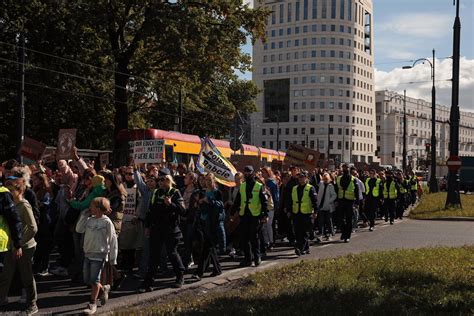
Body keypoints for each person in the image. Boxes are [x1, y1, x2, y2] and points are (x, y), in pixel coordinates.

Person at [139, 169, 186, 292]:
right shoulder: (156, 192)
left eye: (164, 179)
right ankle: (148, 282)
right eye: (159, 179)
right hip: (157, 229)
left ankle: (180, 276)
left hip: (171, 229)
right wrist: (148, 226)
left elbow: (182, 211)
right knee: (154, 255)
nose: (161, 182)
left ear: (169, 180)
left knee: (172, 253)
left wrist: (171, 204)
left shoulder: (175, 192)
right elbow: (150, 212)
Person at [0, 174, 39, 315]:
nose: (9, 193)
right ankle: (1, 299)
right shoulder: (10, 204)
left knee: (27, 276)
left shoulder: (24, 205)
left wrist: (20, 244)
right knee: (6, 275)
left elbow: (33, 227)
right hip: (13, 246)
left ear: (20, 191)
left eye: (11, 191)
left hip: (25, 247)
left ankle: (33, 304)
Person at [76, 197, 118, 315]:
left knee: (94, 280)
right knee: (87, 279)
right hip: (88, 253)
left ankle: (92, 303)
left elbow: (113, 240)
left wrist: (112, 258)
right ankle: (104, 288)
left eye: (92, 206)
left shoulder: (107, 222)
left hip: (99, 255)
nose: (89, 208)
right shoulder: (89, 220)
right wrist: (84, 216)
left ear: (99, 209)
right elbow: (79, 229)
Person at [233, 166, 268, 267]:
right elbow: (237, 200)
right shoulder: (242, 186)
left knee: (254, 237)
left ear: (253, 173)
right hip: (244, 215)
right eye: (246, 173)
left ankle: (257, 258)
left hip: (255, 215)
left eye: (249, 172)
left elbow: (264, 201)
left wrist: (265, 215)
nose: (247, 174)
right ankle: (248, 259)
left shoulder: (258, 186)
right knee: (244, 238)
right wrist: (232, 213)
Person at [191, 173, 223, 281]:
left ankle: (199, 273)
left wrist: (209, 201)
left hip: (213, 223)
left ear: (214, 180)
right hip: (204, 222)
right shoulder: (203, 192)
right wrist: (199, 203)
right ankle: (217, 269)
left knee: (207, 247)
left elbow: (220, 206)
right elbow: (199, 205)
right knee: (210, 247)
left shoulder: (217, 192)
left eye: (210, 180)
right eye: (206, 180)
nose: (208, 182)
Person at [288, 171, 317, 255]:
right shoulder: (294, 188)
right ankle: (306, 248)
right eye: (299, 177)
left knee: (305, 232)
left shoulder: (310, 188)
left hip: (306, 213)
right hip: (296, 213)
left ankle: (300, 248)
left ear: (306, 178)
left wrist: (315, 212)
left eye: (302, 177)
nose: (300, 179)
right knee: (297, 232)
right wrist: (289, 210)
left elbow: (315, 201)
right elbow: (290, 200)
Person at [334, 164, 359, 243]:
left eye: (346, 167)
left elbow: (357, 191)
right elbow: (336, 190)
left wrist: (357, 203)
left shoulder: (353, 179)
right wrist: (336, 200)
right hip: (341, 201)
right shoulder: (339, 178)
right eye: (344, 167)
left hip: (350, 201)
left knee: (349, 219)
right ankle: (344, 232)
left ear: (349, 169)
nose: (345, 169)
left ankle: (347, 236)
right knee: (340, 219)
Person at [261, 167, 279, 250]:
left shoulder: (271, 183)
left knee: (268, 225)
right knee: (264, 225)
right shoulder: (263, 182)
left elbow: (275, 196)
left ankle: (271, 241)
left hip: (270, 206)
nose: (262, 174)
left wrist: (276, 206)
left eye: (264, 172)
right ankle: (266, 241)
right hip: (265, 206)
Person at [316, 172, 337, 240]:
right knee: (320, 221)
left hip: (328, 206)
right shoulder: (321, 184)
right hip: (321, 206)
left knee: (328, 221)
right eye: (324, 178)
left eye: (326, 178)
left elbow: (334, 195)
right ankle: (321, 234)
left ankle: (330, 233)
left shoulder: (331, 186)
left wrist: (329, 201)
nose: (325, 180)